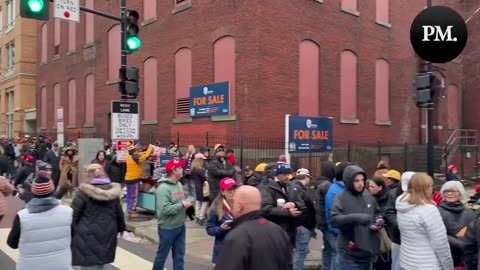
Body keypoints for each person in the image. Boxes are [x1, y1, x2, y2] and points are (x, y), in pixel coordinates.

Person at [214, 185, 292, 270]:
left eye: (234, 202)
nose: (232, 206)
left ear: (239, 206)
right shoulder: (279, 231)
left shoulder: (237, 237)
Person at [7, 176, 73, 270]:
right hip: (61, 264)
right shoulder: (68, 212)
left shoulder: (22, 216)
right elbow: (73, 236)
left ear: (33, 192)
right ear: (52, 191)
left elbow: (12, 243)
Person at [71, 164, 126, 269]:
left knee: (87, 261)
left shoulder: (83, 192)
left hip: (86, 232)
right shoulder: (113, 192)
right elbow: (119, 212)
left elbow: (74, 214)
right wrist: (121, 227)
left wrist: (70, 231)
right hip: (108, 230)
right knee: (102, 258)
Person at [396, 173, 453, 270]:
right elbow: (441, 244)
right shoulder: (428, 210)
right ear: (424, 188)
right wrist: (448, 267)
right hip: (427, 264)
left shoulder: (401, 205)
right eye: (431, 186)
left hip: (407, 261)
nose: (432, 189)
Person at [330, 165, 382, 269]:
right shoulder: (340, 198)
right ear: (348, 181)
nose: (360, 184)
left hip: (368, 253)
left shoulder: (367, 195)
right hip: (350, 256)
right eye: (356, 180)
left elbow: (377, 211)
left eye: (362, 180)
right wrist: (356, 219)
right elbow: (334, 220)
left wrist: (378, 220)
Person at [153, 159, 192, 270]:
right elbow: (163, 210)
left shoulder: (179, 184)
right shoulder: (163, 189)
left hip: (180, 226)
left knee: (179, 256)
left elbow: (180, 201)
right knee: (162, 257)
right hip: (167, 228)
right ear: (174, 171)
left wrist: (187, 208)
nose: (182, 170)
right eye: (180, 168)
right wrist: (182, 206)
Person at [437, 181, 474, 268]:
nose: (450, 194)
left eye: (453, 191)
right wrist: (459, 244)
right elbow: (437, 234)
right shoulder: (437, 212)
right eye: (446, 191)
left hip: (464, 257)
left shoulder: (468, 212)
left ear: (460, 193)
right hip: (445, 255)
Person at [383, 171, 415, 270]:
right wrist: (403, 224)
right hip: (398, 237)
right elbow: (389, 213)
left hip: (415, 239)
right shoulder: (394, 194)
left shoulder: (420, 193)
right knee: (397, 265)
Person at [206, 178, 237, 265]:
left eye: (234, 189)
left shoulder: (241, 205)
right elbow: (209, 229)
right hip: (223, 251)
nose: (232, 192)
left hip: (238, 249)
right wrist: (221, 228)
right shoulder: (215, 209)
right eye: (229, 189)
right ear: (223, 192)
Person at [125, 142, 154, 219]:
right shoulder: (135, 158)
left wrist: (145, 151)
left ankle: (129, 209)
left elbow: (140, 154)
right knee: (134, 196)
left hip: (129, 179)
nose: (137, 151)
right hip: (134, 179)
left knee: (130, 196)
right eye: (135, 150)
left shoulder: (130, 157)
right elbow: (144, 156)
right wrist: (150, 148)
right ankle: (132, 211)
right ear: (133, 151)